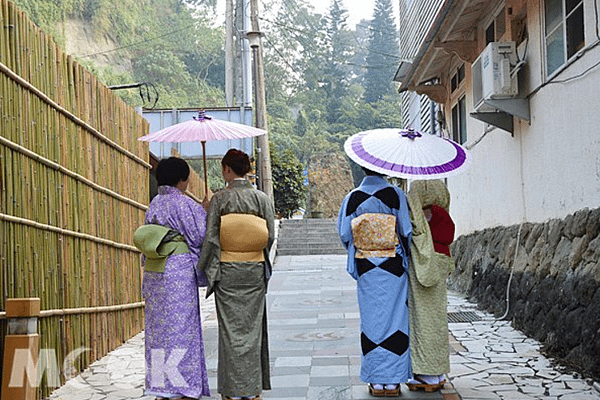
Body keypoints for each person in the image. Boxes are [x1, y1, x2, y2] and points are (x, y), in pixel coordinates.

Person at [198, 149, 275, 400]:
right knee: (252, 329)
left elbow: (211, 238)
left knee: (229, 331)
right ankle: (252, 391)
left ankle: (231, 391)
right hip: (253, 270)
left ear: (227, 169)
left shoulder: (220, 199)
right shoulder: (262, 199)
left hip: (228, 271)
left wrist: (202, 268)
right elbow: (270, 236)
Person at [134, 156, 210, 399]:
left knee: (157, 330)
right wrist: (206, 212)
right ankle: (181, 385)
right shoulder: (185, 205)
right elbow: (200, 237)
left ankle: (159, 384)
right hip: (178, 271)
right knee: (182, 327)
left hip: (155, 271)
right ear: (183, 180)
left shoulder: (155, 203)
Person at [337, 167, 412, 398]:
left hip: (366, 265)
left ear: (362, 168)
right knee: (396, 317)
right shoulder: (395, 194)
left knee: (371, 320)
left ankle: (376, 382)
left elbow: (344, 233)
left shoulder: (352, 197)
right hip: (393, 264)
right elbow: (406, 230)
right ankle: (393, 382)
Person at [406, 179, 455, 392]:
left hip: (423, 260)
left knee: (422, 317)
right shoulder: (442, 211)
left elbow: (413, 230)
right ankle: (438, 371)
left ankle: (426, 374)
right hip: (442, 258)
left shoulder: (418, 194)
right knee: (437, 317)